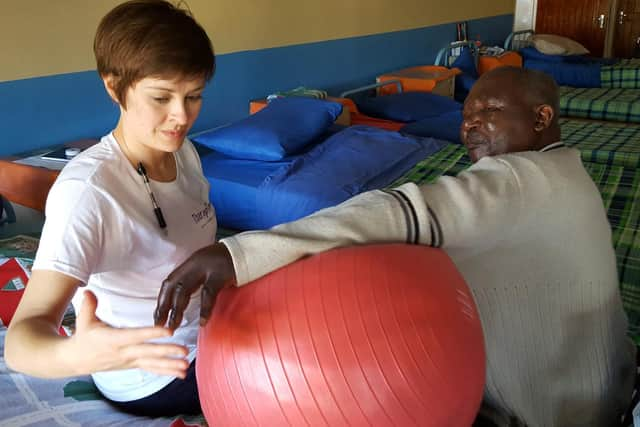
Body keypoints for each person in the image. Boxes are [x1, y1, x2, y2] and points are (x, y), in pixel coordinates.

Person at [154, 67, 637, 426]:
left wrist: (235, 252)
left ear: (542, 117)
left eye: (489, 112)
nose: (470, 126)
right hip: (606, 385)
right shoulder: (569, 170)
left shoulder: (517, 177)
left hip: (553, 408)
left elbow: (394, 211)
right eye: (466, 116)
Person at [5, 0, 216, 417]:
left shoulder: (183, 151)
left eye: (193, 96)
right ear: (113, 85)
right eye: (161, 97)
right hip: (151, 372)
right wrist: (75, 356)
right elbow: (22, 339)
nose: (181, 116)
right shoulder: (89, 191)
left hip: (205, 335)